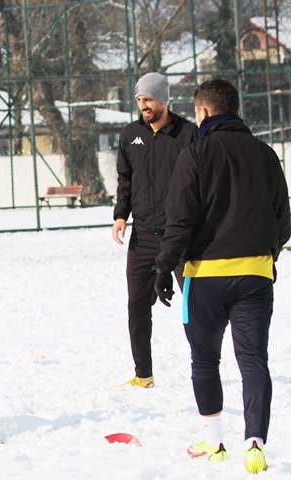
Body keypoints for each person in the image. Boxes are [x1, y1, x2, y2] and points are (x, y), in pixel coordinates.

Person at [154, 78, 290, 474]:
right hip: (256, 275)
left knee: (204, 360)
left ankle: (214, 443)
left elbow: (178, 220)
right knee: (253, 360)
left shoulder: (194, 154)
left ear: (203, 112)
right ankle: (255, 445)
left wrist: (164, 267)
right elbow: (283, 220)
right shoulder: (265, 154)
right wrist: (268, 253)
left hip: (205, 278)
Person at [111, 72, 198, 388]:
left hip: (181, 238)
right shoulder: (130, 134)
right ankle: (143, 374)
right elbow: (126, 180)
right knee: (136, 304)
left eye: (148, 99)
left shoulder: (188, 134)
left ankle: (202, 367)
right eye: (139, 99)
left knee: (193, 307)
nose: (143, 105)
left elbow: (199, 184)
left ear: (163, 99)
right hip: (143, 236)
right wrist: (121, 215)